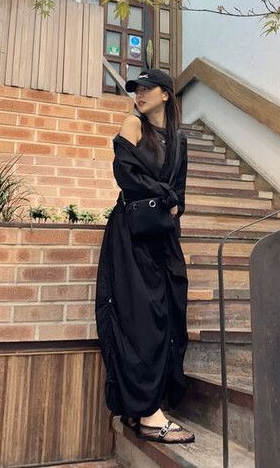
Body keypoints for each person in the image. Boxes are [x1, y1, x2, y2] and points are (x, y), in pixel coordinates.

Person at [95, 68, 195, 444]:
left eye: (148, 88)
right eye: (136, 89)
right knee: (140, 319)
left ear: (166, 94)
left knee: (169, 313)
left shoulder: (179, 141)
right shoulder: (132, 125)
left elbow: (179, 194)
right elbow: (125, 173)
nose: (140, 94)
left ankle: (147, 406)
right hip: (130, 235)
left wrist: (173, 204)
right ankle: (148, 414)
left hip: (163, 238)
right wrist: (165, 196)